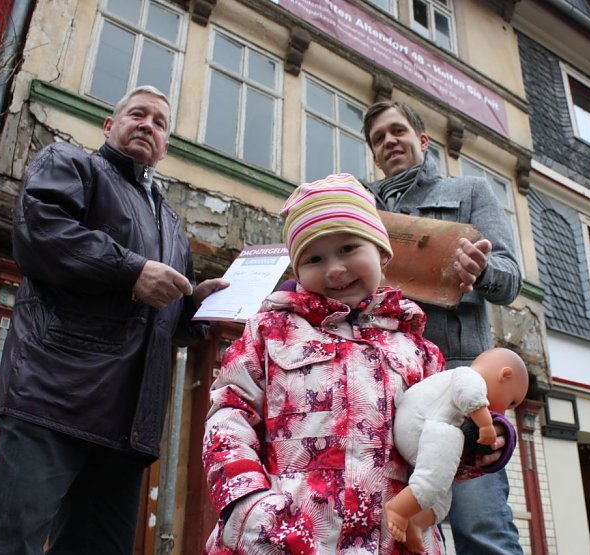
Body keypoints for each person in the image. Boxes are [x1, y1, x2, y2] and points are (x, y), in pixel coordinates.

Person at [0, 85, 227, 554]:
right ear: (110, 125)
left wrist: (196, 308)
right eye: (137, 115)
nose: (148, 125)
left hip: (128, 427)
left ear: (166, 146)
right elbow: (40, 231)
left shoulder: (171, 225)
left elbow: (166, 318)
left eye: (160, 123)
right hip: (54, 398)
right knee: (5, 545)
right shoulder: (71, 164)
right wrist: (132, 271)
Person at [202, 174, 514, 553]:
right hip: (283, 538)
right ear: (297, 271)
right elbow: (228, 417)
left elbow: (435, 448)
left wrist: (478, 448)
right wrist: (248, 507)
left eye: (349, 248)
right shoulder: (271, 331)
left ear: (383, 254)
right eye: (314, 258)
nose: (334, 268)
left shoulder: (421, 351)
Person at [362, 100, 524, 555]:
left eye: (398, 131)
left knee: (481, 528)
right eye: (379, 138)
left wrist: (481, 269)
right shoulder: (360, 205)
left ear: (423, 140)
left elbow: (511, 279)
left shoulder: (470, 192)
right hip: (383, 386)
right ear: (374, 154)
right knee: (391, 529)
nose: (389, 141)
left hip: (457, 381)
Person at [385, 348, 529, 552]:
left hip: (422, 433)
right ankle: (399, 509)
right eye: (511, 401)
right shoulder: (469, 375)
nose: (504, 411)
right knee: (434, 477)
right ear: (505, 375)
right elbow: (471, 395)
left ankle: (417, 521)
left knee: (442, 493)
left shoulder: (453, 378)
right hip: (423, 427)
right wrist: (486, 425)